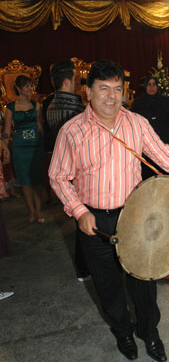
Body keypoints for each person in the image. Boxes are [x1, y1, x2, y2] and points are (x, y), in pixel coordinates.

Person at [49, 60, 169, 362]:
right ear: (88, 91)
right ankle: (122, 332)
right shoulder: (72, 132)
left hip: (135, 215)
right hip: (94, 221)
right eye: (103, 88)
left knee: (143, 282)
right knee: (108, 286)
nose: (111, 96)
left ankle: (149, 332)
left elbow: (163, 155)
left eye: (117, 89)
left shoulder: (136, 122)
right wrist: (79, 211)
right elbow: (58, 176)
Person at [46, 60, 89, 281]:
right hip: (78, 172)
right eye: (76, 79)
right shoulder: (75, 107)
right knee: (86, 221)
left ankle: (83, 268)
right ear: (66, 81)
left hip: (63, 166)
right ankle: (84, 268)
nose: (79, 84)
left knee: (79, 220)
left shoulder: (50, 104)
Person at [3, 75, 45, 223]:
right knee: (25, 181)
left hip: (36, 146)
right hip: (20, 147)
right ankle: (31, 212)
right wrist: (5, 148)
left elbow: (40, 127)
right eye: (26, 86)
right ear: (19, 89)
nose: (30, 89)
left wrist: (44, 145)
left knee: (37, 180)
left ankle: (39, 211)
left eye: (31, 86)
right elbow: (7, 130)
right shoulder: (11, 108)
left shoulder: (37, 105)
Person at [131, 76, 169, 179]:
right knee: (148, 174)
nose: (152, 87)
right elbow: (133, 124)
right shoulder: (137, 103)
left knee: (165, 173)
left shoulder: (165, 101)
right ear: (145, 86)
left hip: (164, 141)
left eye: (154, 84)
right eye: (149, 84)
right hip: (146, 144)